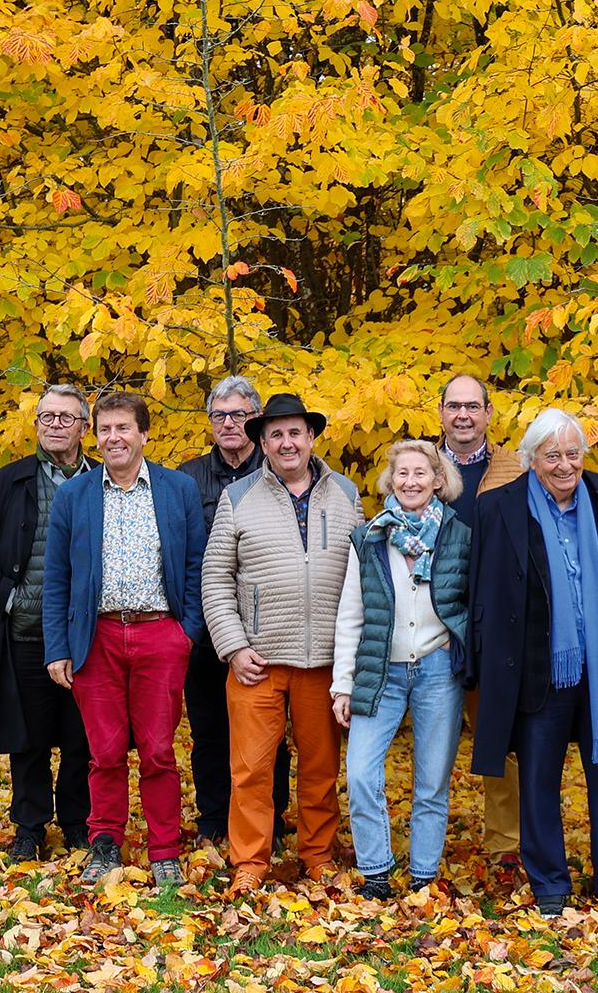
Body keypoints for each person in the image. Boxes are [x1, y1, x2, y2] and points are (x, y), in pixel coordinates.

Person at [469, 408, 598, 918]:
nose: (564, 464)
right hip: (535, 666)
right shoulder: (498, 507)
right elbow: (483, 589)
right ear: (532, 459)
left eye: (573, 453)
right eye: (552, 455)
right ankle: (550, 883)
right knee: (537, 780)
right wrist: (486, 662)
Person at [201, 393, 364, 896]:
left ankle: (318, 855)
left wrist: (352, 660)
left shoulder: (345, 494)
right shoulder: (238, 497)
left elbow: (364, 576)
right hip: (259, 659)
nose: (287, 442)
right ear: (263, 443)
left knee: (320, 770)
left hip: (324, 663)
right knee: (250, 769)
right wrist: (232, 645)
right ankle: (250, 860)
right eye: (276, 434)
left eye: (296, 432)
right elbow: (214, 577)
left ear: (311, 437)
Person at [41, 392, 206, 887]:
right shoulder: (76, 495)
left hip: (161, 633)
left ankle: (164, 851)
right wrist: (59, 647)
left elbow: (198, 566)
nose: (113, 438)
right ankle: (106, 843)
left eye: (123, 429)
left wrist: (186, 634)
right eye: (105, 429)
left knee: (158, 750)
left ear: (143, 434)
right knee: (104, 752)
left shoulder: (177, 490)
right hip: (98, 637)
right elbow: (57, 577)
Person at [331, 441, 470, 897]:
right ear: (390, 482)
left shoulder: (459, 535)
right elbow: (352, 613)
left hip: (437, 670)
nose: (410, 482)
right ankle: (376, 871)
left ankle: (424, 875)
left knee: (432, 781)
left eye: (420, 473)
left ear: (437, 480)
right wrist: (342, 685)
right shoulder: (370, 537)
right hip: (380, 671)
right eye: (402, 474)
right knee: (359, 772)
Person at [0, 384, 94, 862]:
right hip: (26, 633)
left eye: (66, 417)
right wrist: (13, 601)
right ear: (36, 424)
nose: (55, 425)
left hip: (86, 637)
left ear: (85, 427)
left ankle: (79, 822)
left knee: (82, 737)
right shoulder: (9, 482)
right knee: (30, 738)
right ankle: (30, 827)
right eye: (47, 417)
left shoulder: (102, 482)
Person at [177, 376, 291, 848]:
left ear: (256, 421)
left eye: (239, 415)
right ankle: (212, 819)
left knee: (270, 737)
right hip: (205, 629)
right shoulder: (187, 477)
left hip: (267, 630)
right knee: (208, 730)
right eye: (220, 415)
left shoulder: (279, 471)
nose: (229, 424)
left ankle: (273, 820)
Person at [437, 374, 526, 877]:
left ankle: (505, 845)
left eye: (474, 406)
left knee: (501, 739)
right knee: (433, 742)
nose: (464, 415)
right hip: (432, 625)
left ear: (489, 413)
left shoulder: (514, 466)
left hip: (495, 626)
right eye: (455, 406)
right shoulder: (420, 466)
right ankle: (428, 842)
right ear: (442, 412)